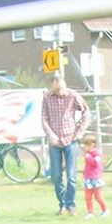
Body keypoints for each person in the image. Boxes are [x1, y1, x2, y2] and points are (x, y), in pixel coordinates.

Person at [42, 71, 89, 216]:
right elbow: (44, 119)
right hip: (55, 142)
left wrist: (80, 131)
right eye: (56, 89)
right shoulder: (47, 98)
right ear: (52, 86)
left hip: (70, 140)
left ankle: (71, 205)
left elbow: (86, 112)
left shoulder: (72, 95)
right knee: (56, 176)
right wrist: (51, 135)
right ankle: (62, 204)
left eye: (61, 88)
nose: (60, 92)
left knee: (71, 176)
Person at [81, 134, 109, 217]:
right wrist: (84, 174)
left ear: (92, 144)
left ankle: (105, 209)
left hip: (96, 178)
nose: (84, 147)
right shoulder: (88, 154)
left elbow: (96, 163)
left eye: (86, 145)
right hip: (88, 178)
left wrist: (89, 157)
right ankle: (90, 212)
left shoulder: (97, 154)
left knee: (98, 196)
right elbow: (87, 166)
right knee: (87, 197)